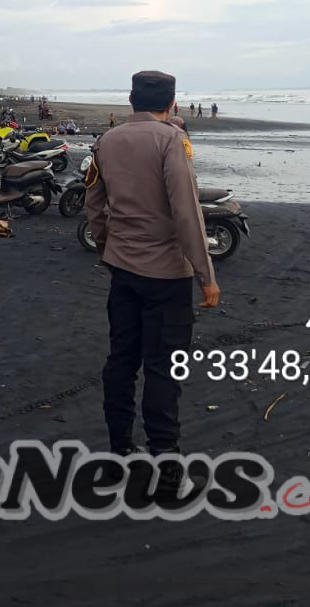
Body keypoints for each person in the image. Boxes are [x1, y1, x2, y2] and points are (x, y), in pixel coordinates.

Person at [84, 70, 218, 493]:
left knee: (121, 361)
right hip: (165, 275)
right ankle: (167, 465)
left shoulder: (107, 141)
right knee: (164, 368)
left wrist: (108, 248)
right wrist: (206, 275)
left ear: (130, 100)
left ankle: (118, 451)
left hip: (122, 270)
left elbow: (94, 204)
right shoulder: (170, 141)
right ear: (173, 103)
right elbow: (187, 211)